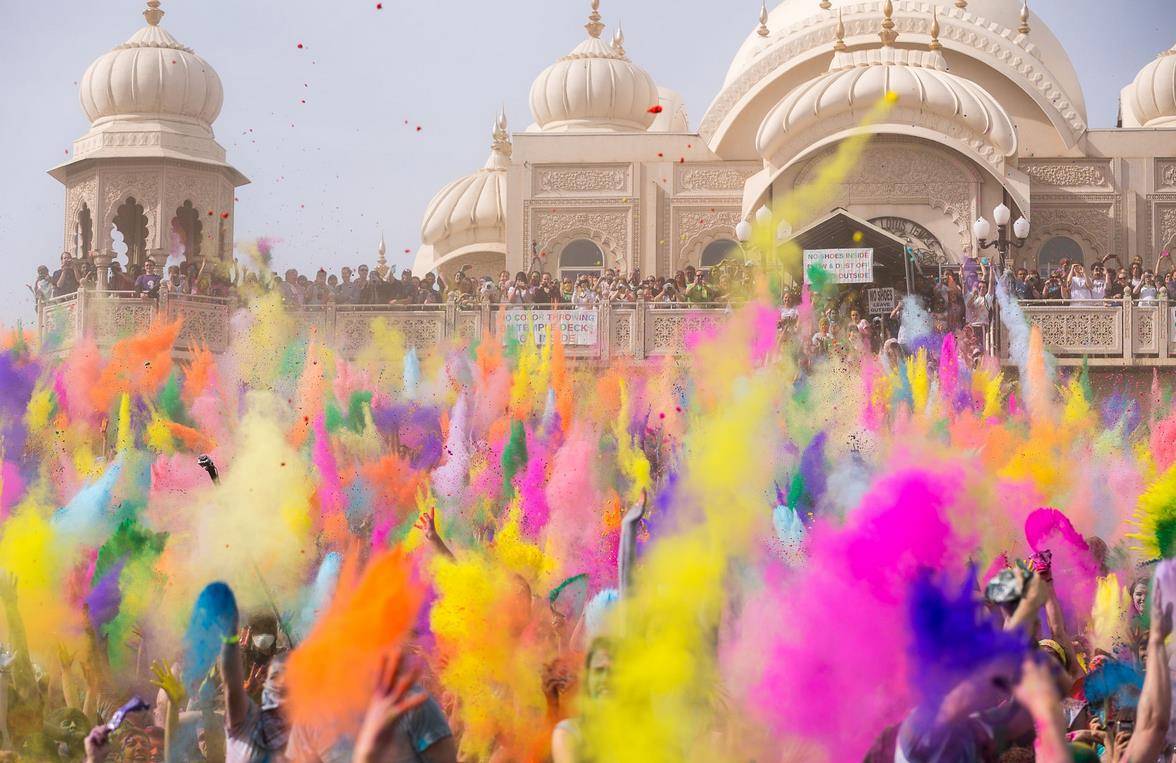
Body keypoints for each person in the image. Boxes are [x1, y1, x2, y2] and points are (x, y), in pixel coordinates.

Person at [550, 638, 613, 763]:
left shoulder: (645, 735)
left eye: (614, 672)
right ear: (587, 678)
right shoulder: (570, 733)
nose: (605, 679)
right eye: (598, 670)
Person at [966, 280, 992, 353]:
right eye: (979, 287)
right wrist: (974, 295)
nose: (981, 289)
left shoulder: (987, 298)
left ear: (986, 289)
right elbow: (968, 305)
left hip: (982, 326)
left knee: (981, 347)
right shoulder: (975, 298)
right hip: (972, 326)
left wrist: (991, 269)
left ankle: (983, 362)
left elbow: (991, 284)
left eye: (984, 287)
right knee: (973, 347)